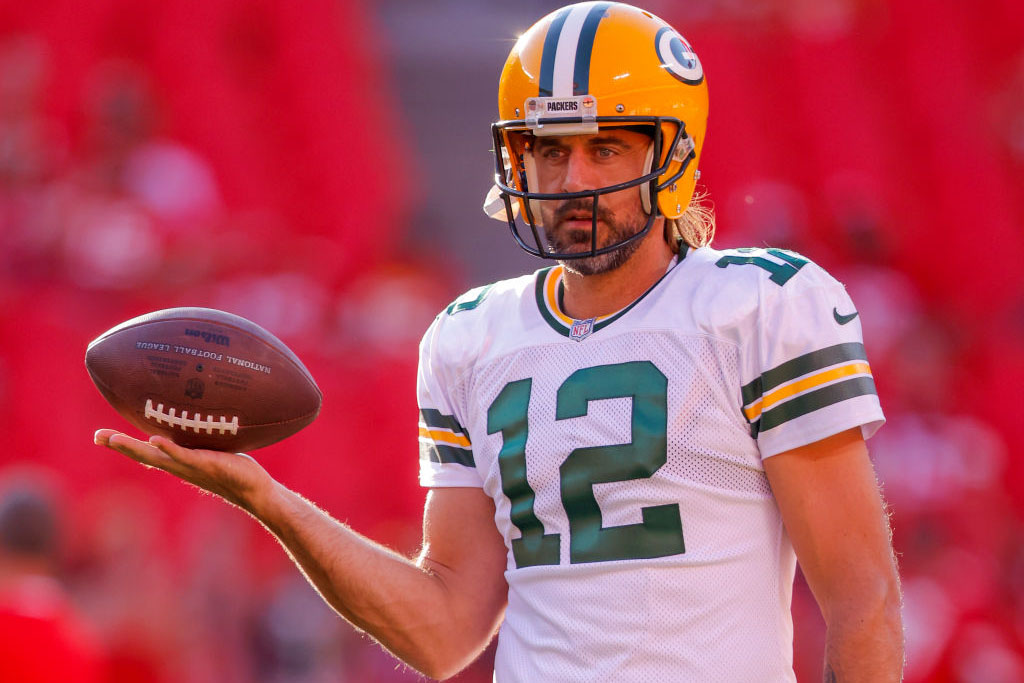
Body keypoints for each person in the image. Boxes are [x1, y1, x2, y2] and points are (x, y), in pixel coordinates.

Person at [95, 3, 904, 681]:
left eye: (605, 146)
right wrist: (269, 500)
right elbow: (447, 627)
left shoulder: (758, 306)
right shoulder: (469, 335)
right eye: (548, 149)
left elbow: (862, 597)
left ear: (672, 155)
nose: (573, 179)